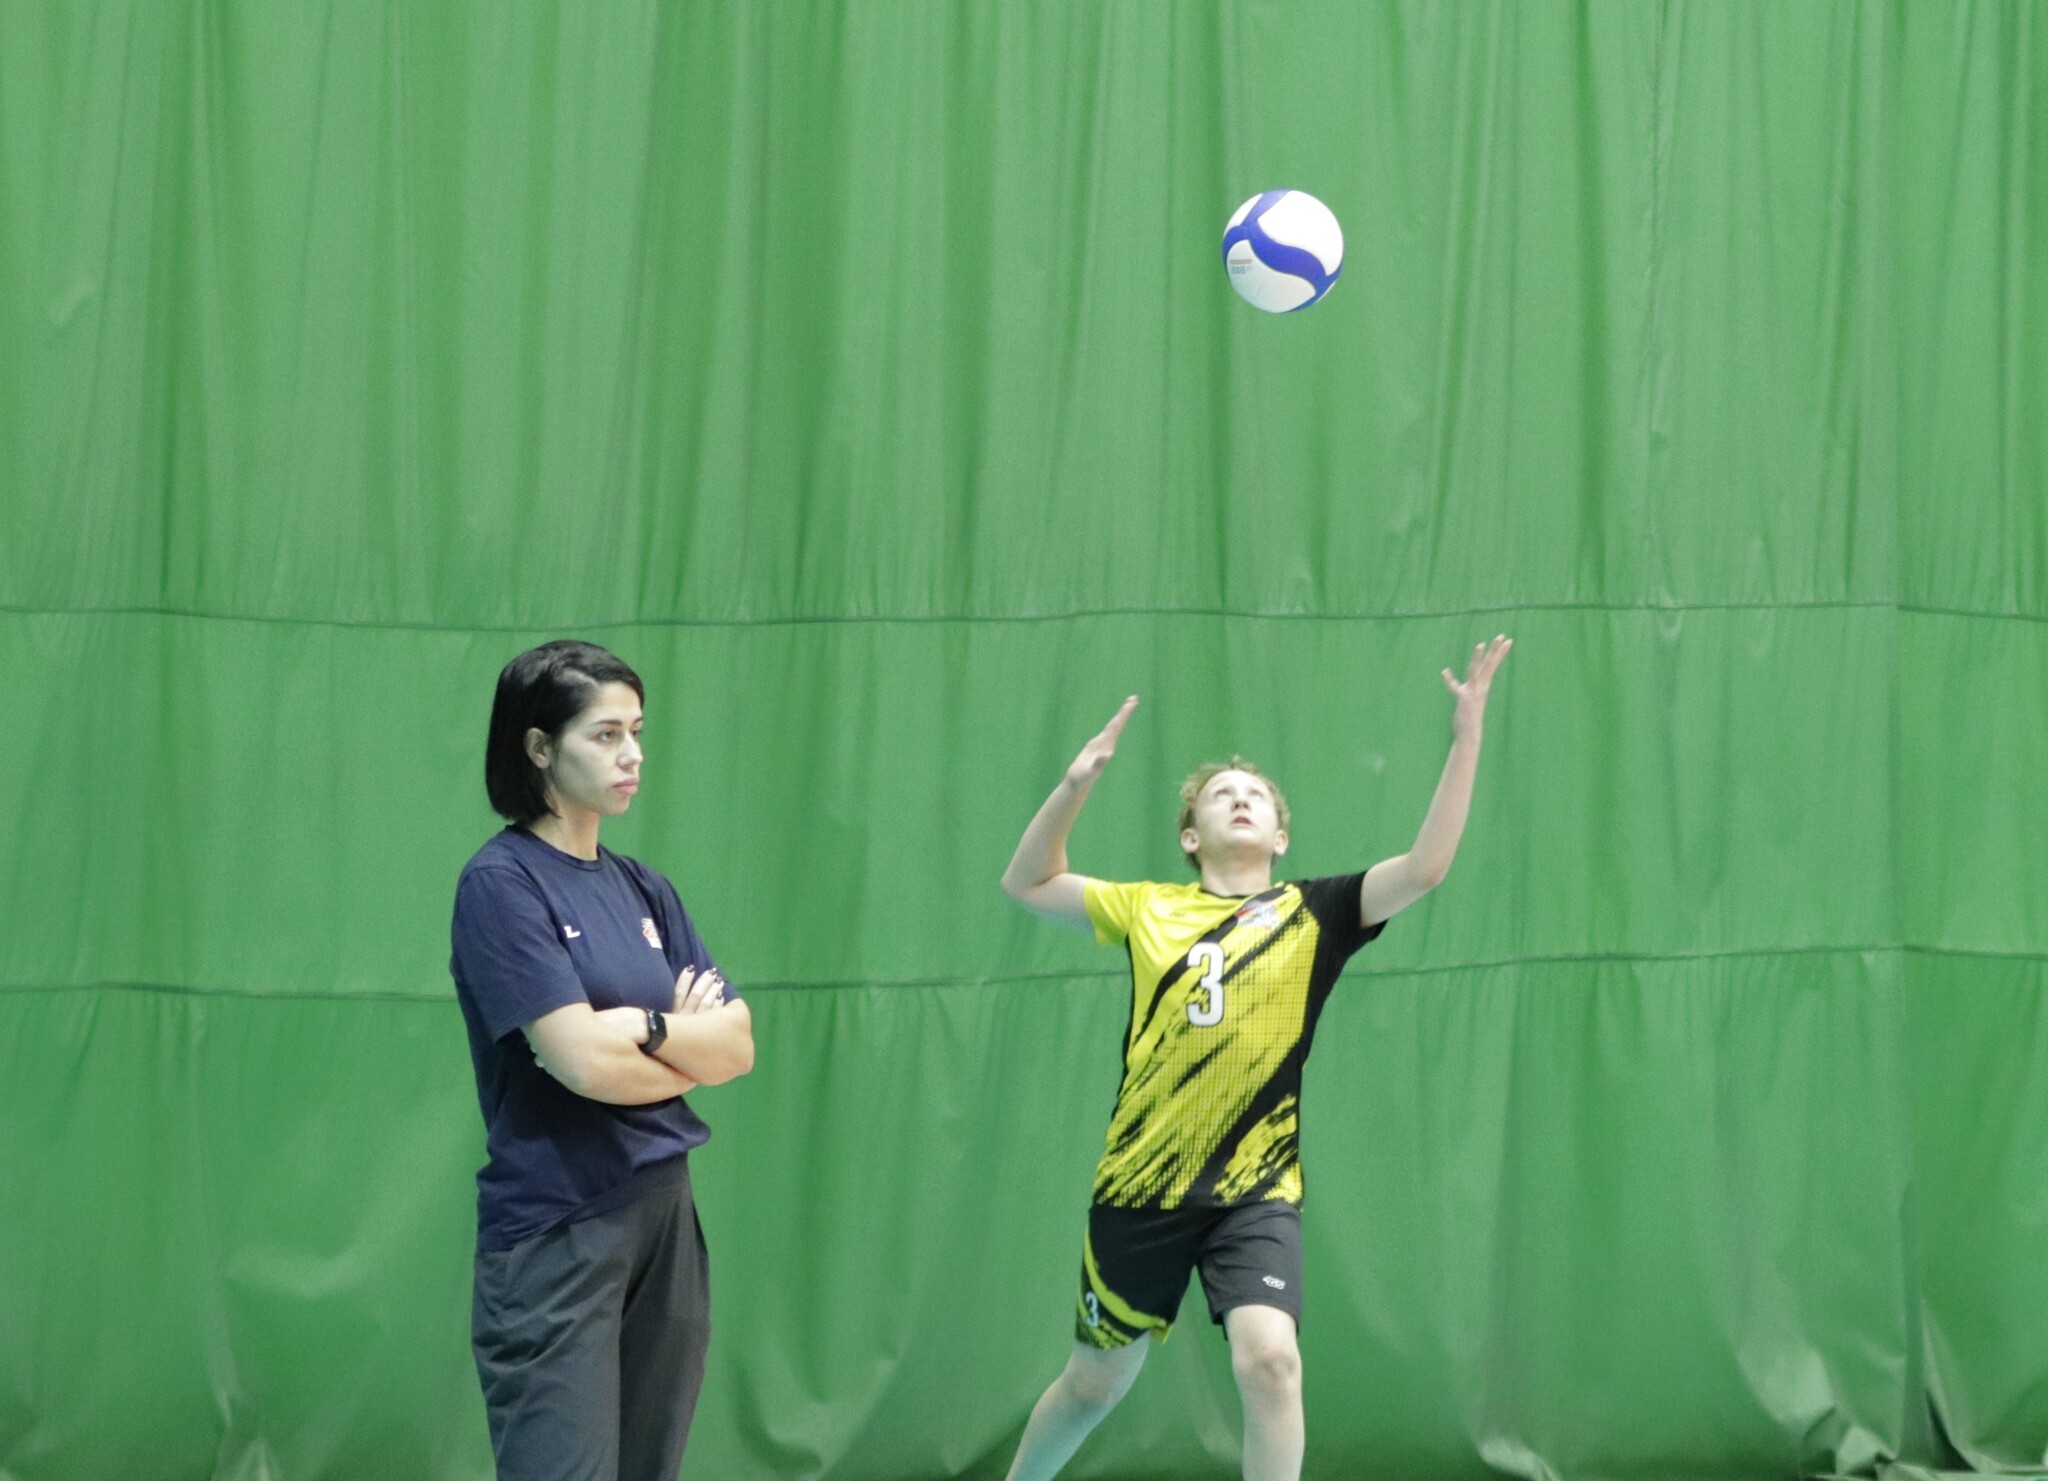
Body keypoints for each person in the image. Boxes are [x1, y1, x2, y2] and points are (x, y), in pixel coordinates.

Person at [997, 636, 1513, 1481]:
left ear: (1279, 833)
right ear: (1190, 835)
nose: (1237, 801)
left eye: (1254, 796)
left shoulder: (1318, 914)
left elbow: (1425, 868)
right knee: (1094, 1384)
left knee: (1270, 1359)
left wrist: (1467, 739)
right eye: (1218, 796)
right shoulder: (1147, 908)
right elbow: (1026, 882)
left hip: (1257, 1190)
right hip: (1139, 1189)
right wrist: (1073, 787)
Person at [450, 640, 755, 1481]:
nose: (633, 756)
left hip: (666, 1214)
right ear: (539, 747)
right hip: (559, 1230)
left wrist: (639, 1026)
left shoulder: (646, 889)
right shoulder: (501, 884)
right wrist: (676, 1042)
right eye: (606, 735)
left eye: (638, 732)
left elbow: (736, 1043)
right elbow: (581, 1062)